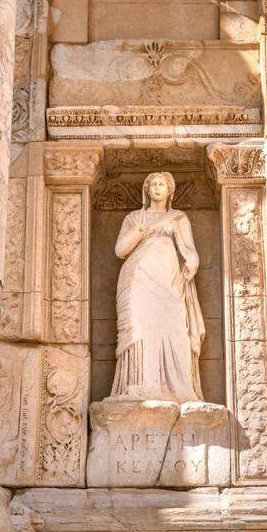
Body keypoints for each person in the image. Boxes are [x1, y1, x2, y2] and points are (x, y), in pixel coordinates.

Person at [110, 172, 205, 402]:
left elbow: (190, 251)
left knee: (173, 325)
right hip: (137, 278)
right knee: (139, 328)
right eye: (153, 184)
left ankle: (178, 386)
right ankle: (140, 386)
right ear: (147, 189)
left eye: (162, 184)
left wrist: (192, 264)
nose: (157, 187)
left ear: (170, 190)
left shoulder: (178, 218)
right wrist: (140, 231)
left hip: (168, 277)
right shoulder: (134, 218)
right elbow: (120, 250)